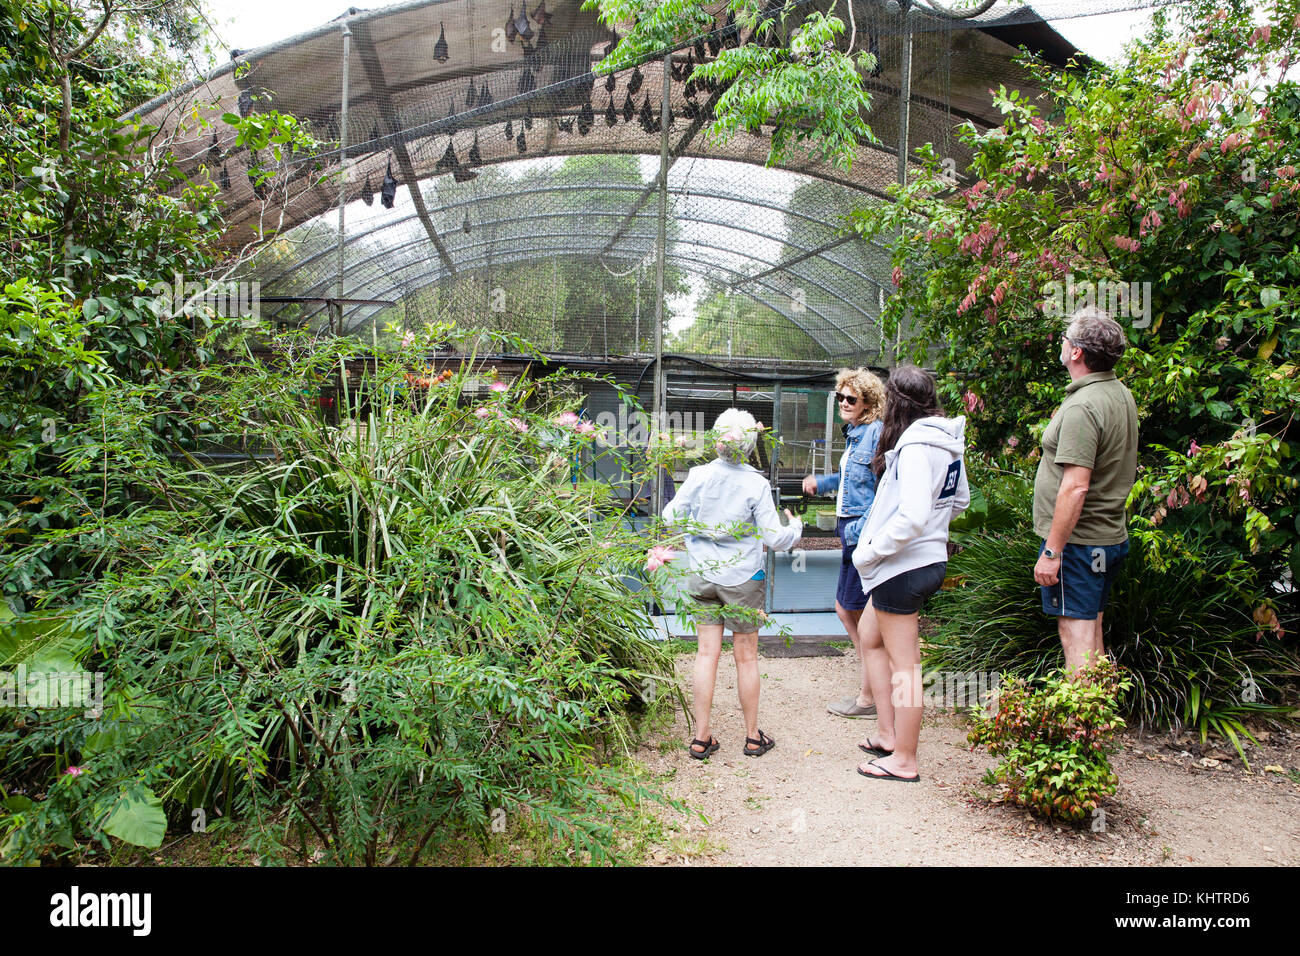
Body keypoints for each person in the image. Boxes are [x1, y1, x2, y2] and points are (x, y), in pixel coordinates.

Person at [851, 366, 969, 783]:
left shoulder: (918, 446)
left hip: (903, 565)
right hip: (926, 560)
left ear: (896, 401)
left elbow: (914, 516)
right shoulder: (948, 442)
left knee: (907, 667)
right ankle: (886, 733)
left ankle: (904, 758)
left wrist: (870, 552)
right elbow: (959, 502)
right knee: (869, 635)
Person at [664, 408, 803, 759]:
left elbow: (670, 518)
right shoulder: (755, 483)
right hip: (743, 579)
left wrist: (699, 530)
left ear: (717, 439)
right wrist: (796, 528)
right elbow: (775, 539)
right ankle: (753, 737)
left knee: (705, 654)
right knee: (746, 658)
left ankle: (701, 737)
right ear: (751, 444)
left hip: (703, 575)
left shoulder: (697, 475)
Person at [1032, 306, 1138, 672]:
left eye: (1065, 339)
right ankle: (1096, 722)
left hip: (1078, 544)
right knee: (1091, 632)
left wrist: (1052, 551)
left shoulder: (1084, 406)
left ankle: (1081, 726)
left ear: (1076, 352)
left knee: (1075, 637)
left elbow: (1075, 487)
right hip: (1106, 537)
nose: (1061, 344)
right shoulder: (1118, 392)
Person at [801, 368, 886, 718]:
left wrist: (865, 530)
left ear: (869, 401)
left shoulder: (876, 434)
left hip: (861, 532)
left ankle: (870, 694)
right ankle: (872, 679)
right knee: (847, 608)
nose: (844, 403)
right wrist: (822, 483)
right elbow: (853, 477)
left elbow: (882, 488)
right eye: (840, 397)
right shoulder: (856, 435)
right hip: (850, 530)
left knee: (855, 611)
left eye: (851, 398)